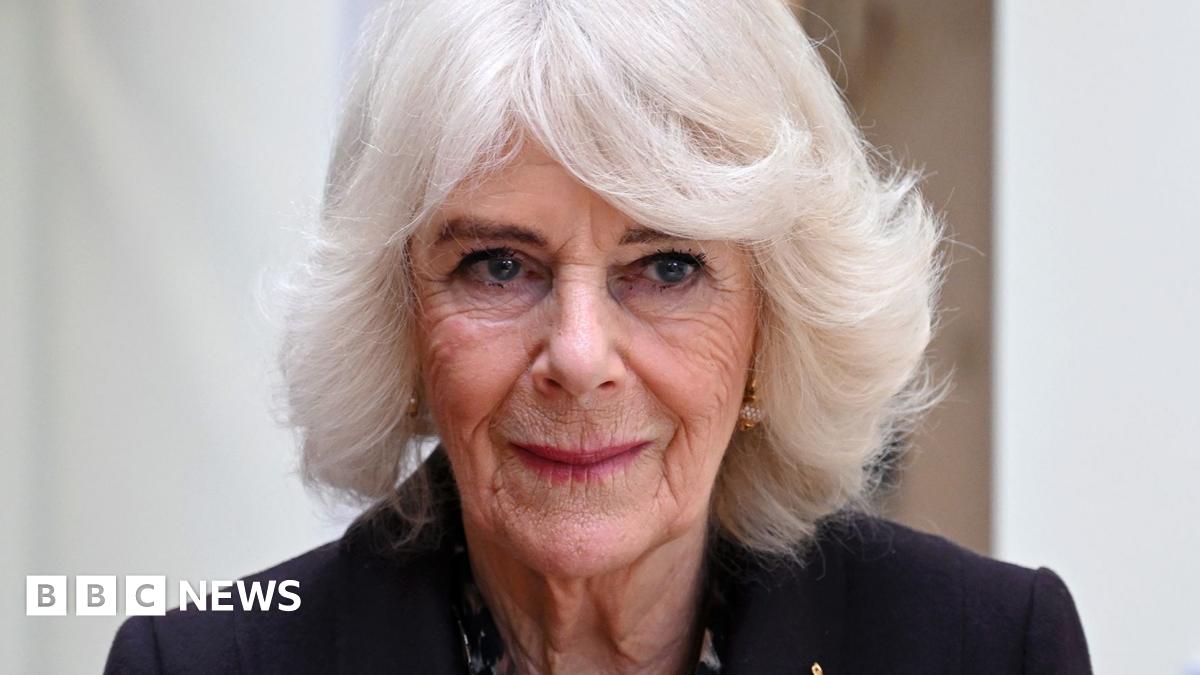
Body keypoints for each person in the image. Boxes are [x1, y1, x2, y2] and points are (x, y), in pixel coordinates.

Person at [104, 1, 1091, 673]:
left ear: (772, 325)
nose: (577, 356)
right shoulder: (202, 666)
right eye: (498, 264)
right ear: (399, 322)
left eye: (667, 268)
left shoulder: (985, 648)